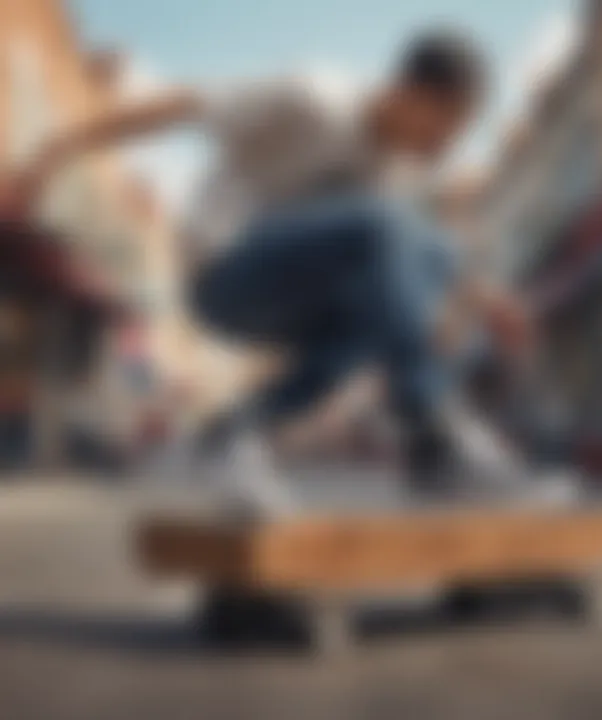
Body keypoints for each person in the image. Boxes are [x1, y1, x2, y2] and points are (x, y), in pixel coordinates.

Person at [3, 29, 572, 515]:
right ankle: (434, 437)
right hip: (224, 273)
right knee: (391, 226)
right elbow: (178, 106)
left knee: (422, 256)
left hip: (294, 294)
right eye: (441, 130)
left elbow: (431, 263)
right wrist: (56, 146)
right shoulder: (312, 95)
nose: (441, 150)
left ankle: (234, 434)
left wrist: (487, 301)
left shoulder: (394, 172)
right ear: (411, 94)